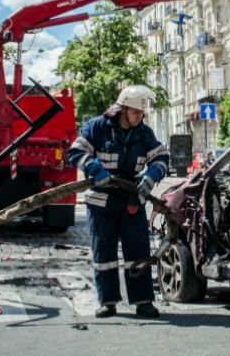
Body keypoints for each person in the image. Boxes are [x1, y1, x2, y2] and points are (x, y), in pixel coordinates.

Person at [68, 85, 169, 319]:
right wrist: (94, 169)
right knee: (104, 253)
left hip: (131, 200)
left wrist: (153, 174)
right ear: (122, 109)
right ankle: (108, 301)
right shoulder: (97, 128)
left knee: (138, 251)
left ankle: (143, 302)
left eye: (142, 114)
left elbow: (161, 157)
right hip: (101, 202)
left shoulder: (143, 133)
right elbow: (75, 153)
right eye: (136, 113)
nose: (140, 117)